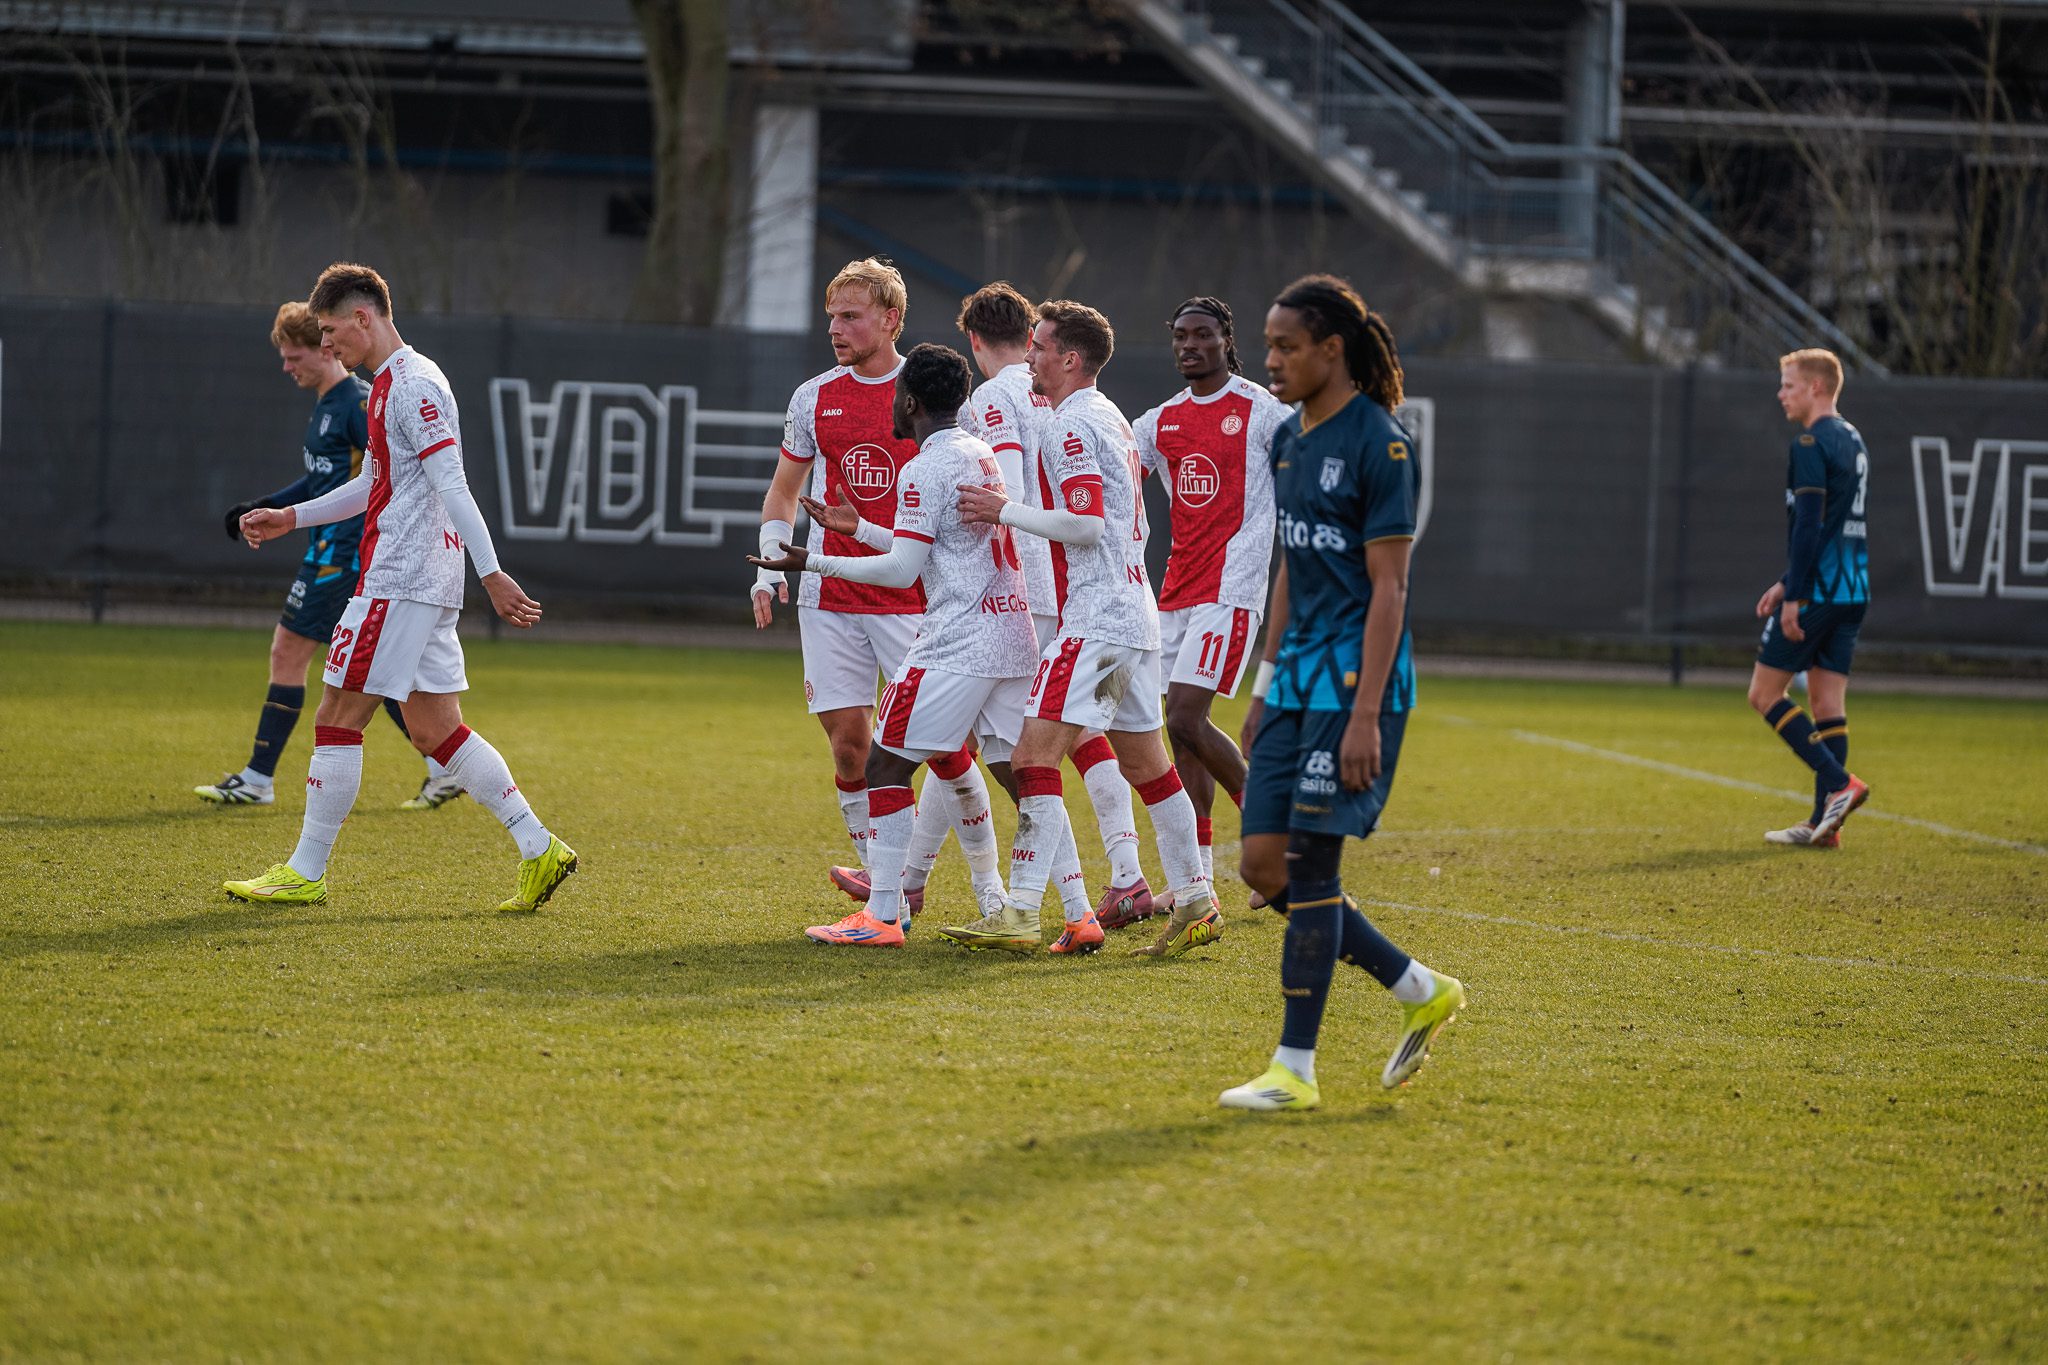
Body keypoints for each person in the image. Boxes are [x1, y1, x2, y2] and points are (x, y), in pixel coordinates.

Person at [223, 262, 575, 911]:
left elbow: (453, 484)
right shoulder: (387, 385)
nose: (327, 346)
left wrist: (492, 572)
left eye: (331, 331)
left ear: (364, 317)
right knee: (435, 730)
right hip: (420, 580)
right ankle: (539, 846)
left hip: (403, 577)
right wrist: (291, 517)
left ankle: (306, 869)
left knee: (336, 714)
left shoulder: (412, 385)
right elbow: (373, 485)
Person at [1219, 274, 1463, 1112]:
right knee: (1260, 866)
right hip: (1293, 684)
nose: (1273, 359)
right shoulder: (1287, 440)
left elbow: (1389, 589)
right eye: (1269, 343)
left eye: (1288, 345)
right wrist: (1264, 679)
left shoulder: (1382, 446)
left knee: (1312, 864)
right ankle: (1418, 986)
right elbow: (1291, 564)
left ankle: (1294, 1068)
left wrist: (1365, 717)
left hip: (1359, 690)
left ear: (1333, 349)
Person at [749, 344, 1052, 947]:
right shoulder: (978, 452)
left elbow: (902, 569)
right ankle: (1058, 908)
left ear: (909, 400)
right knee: (1027, 774)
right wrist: (855, 528)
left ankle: (886, 914)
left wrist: (813, 559)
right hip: (1007, 631)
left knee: (888, 766)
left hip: (955, 639)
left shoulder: (923, 466)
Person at [943, 300, 1218, 958]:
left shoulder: (1070, 425)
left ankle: (1016, 912)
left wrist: (1009, 510)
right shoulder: (1109, 416)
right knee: (1146, 764)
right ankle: (1198, 898)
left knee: (1032, 756)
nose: (1028, 356)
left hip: (1097, 616)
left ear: (1068, 358)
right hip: (1132, 613)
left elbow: (1088, 524)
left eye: (1038, 347)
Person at [752, 259, 1000, 915]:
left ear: (890, 319)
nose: (836, 327)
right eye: (832, 315)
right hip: (831, 597)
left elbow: (981, 492)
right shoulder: (814, 396)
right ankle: (881, 884)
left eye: (851, 315)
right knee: (849, 746)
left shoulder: (938, 395)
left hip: (915, 598)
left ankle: (980, 888)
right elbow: (784, 492)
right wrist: (766, 564)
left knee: (947, 750)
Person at [194, 302, 462, 811]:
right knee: (369, 674)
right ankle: (443, 766)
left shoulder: (359, 404)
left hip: (348, 559)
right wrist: (267, 506)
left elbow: (385, 478)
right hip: (328, 553)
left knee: (297, 655)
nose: (286, 366)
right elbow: (327, 478)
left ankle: (257, 777)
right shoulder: (327, 404)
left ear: (325, 348)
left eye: (295, 356)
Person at [954, 282, 1155, 928]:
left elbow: (1008, 493)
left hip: (1027, 589)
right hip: (1092, 594)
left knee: (1005, 746)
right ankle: (1140, 878)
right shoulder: (1093, 407)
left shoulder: (997, 396)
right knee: (1089, 736)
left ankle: (1028, 904)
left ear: (976, 340)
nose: (1037, 357)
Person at [1133, 296, 1288, 891]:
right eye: (1179, 337)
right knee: (1179, 732)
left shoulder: (1261, 411)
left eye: (1201, 335)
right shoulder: (1161, 420)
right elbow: (1116, 472)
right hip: (1174, 591)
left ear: (1226, 339)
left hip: (1231, 588)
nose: (1188, 345)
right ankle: (1194, 876)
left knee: (1187, 717)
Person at [1749, 348, 1872, 847]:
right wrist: (1786, 580)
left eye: (1789, 385)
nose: (1781, 393)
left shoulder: (1809, 440)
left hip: (1819, 590)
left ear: (1816, 387)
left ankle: (1841, 786)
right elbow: (1836, 525)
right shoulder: (1852, 438)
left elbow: (1809, 523)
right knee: (1825, 703)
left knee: (1764, 694)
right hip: (1853, 586)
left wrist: (1794, 595)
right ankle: (1826, 825)